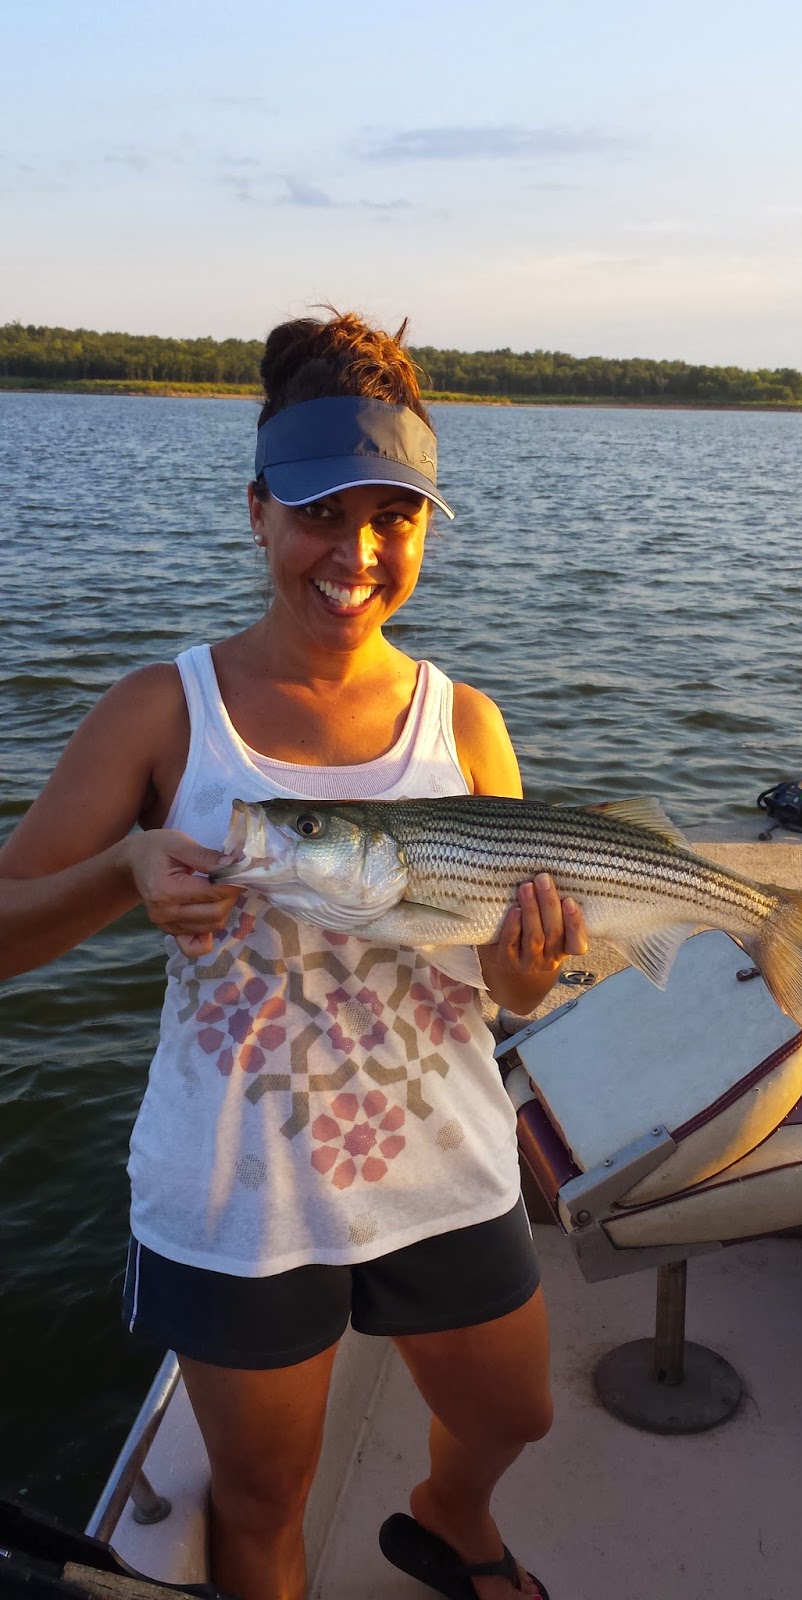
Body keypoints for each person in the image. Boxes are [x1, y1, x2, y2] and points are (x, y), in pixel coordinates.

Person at [0, 309, 588, 1600]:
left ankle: (449, 1517)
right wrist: (119, 873)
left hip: (443, 1160)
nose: (359, 553)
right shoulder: (163, 712)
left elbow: (499, 978)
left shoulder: (468, 724)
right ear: (259, 513)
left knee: (518, 1415)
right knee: (265, 1499)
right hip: (237, 1193)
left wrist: (530, 973)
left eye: (395, 517)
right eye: (324, 512)